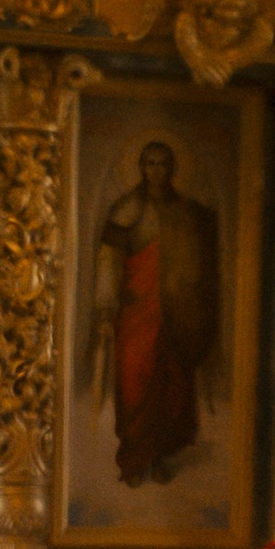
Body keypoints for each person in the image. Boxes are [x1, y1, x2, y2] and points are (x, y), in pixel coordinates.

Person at [91, 137, 221, 489]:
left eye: (162, 163)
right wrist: (106, 307)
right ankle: (135, 459)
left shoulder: (188, 213)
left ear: (172, 169)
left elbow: (199, 270)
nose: (156, 170)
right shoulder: (126, 210)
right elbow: (108, 263)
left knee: (171, 388)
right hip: (137, 312)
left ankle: (161, 454)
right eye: (150, 163)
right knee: (135, 385)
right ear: (141, 167)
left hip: (176, 316)